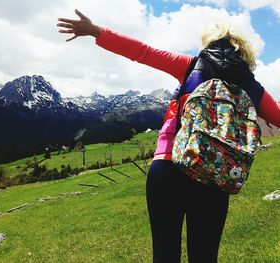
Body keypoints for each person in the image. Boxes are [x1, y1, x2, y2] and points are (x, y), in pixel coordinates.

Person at [57, 9, 280, 262]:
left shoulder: (192, 66)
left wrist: (97, 31)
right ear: (243, 50)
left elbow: (143, 52)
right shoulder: (251, 86)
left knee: (164, 253)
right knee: (205, 256)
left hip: (168, 166)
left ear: (208, 43)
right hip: (215, 172)